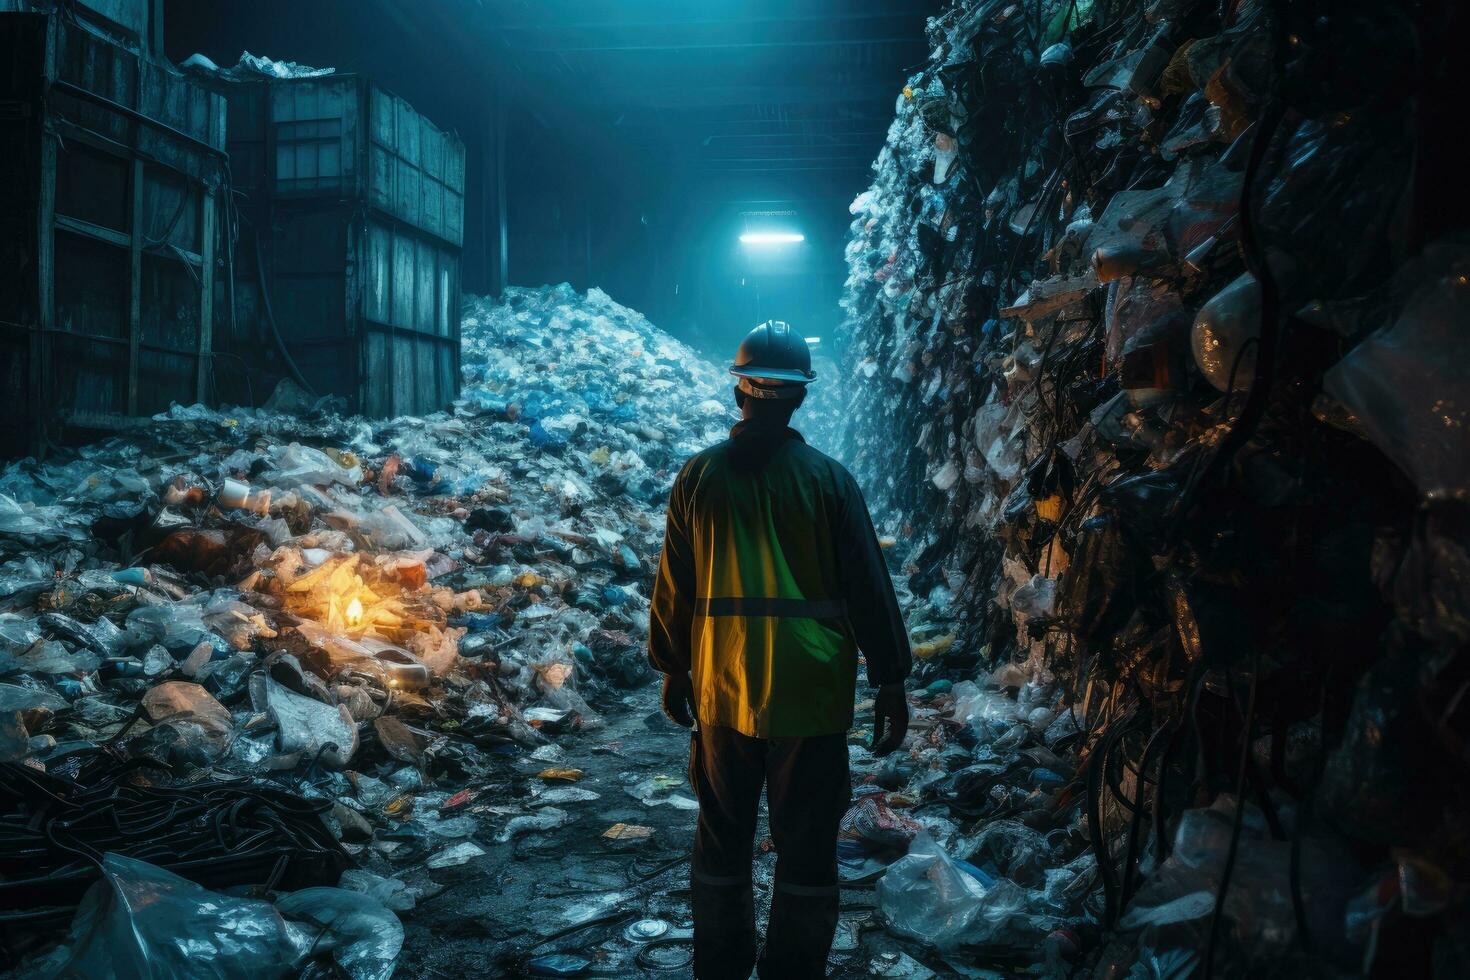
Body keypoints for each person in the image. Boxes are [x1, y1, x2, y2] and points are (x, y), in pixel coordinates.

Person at [648, 320, 912, 979]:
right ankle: (794, 968)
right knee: (807, 846)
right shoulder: (829, 481)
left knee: (723, 837)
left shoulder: (700, 478)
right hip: (811, 697)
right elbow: (870, 591)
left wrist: (673, 668)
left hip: (723, 690)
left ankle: (722, 962)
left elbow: (674, 586)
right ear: (800, 398)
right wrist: (890, 681)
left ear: (740, 391)